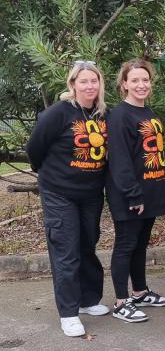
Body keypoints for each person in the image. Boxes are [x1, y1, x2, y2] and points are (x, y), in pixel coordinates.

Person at [26, 61, 109, 336]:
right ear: (72, 85)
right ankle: (69, 312)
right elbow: (34, 148)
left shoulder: (101, 115)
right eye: (83, 81)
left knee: (87, 246)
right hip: (59, 194)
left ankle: (87, 301)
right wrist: (50, 176)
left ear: (100, 85)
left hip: (91, 194)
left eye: (93, 81)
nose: (89, 86)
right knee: (66, 251)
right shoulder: (58, 114)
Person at [107, 59, 165, 322]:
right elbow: (120, 159)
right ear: (124, 84)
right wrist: (133, 193)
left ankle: (140, 292)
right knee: (126, 245)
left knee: (141, 245)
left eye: (145, 80)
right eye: (134, 80)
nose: (141, 84)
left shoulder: (149, 113)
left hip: (151, 190)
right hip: (130, 194)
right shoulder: (120, 115)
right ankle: (122, 301)